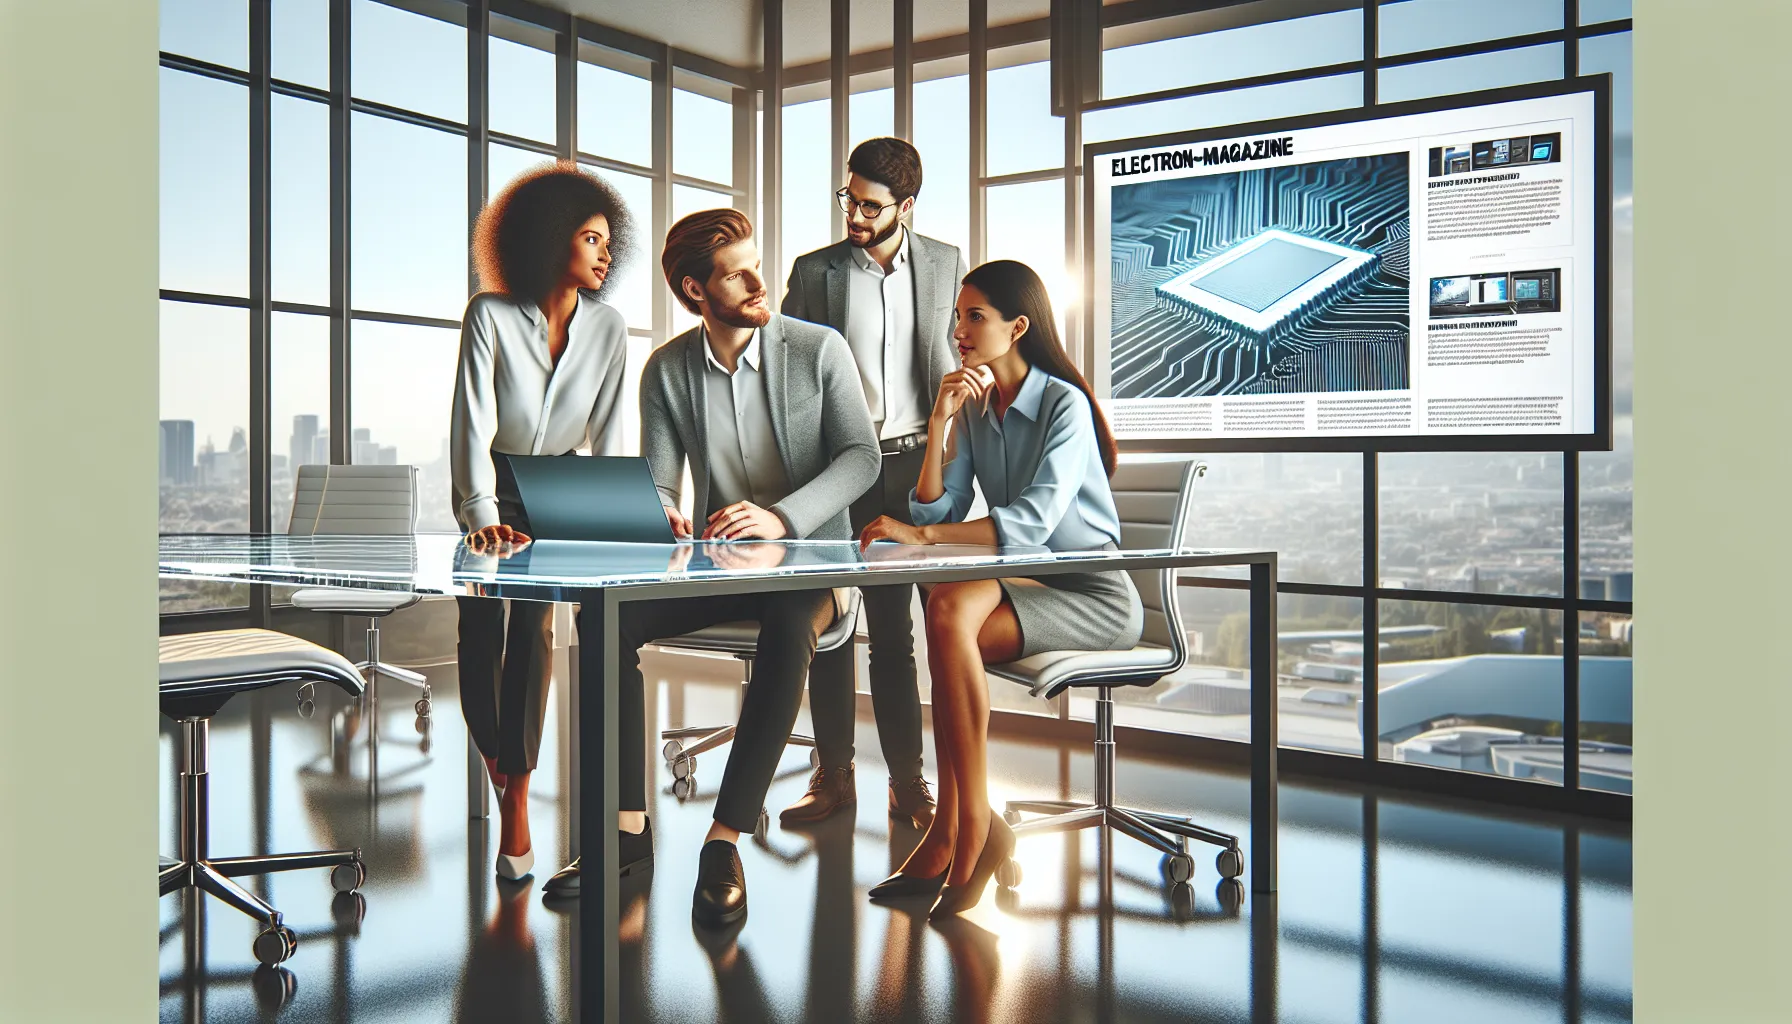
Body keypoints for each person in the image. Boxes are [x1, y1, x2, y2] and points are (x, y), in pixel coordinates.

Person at [563, 208, 880, 926]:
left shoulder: (818, 351)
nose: (759, 280)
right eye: (737, 273)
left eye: (754, 262)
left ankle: (723, 838)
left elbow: (860, 458)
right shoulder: (668, 371)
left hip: (811, 566)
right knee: (602, 614)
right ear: (694, 289)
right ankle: (627, 831)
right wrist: (660, 513)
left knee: (792, 612)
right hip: (720, 568)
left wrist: (782, 518)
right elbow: (657, 477)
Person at [858, 260, 1143, 918]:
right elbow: (937, 510)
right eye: (957, 315)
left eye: (975, 316)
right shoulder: (981, 407)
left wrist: (924, 539)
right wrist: (939, 425)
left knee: (946, 606)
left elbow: (1034, 522)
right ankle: (964, 828)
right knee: (947, 606)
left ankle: (961, 832)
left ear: (1018, 327)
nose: (959, 329)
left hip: (1090, 595)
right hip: (1026, 576)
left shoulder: (1063, 404)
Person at [450, 162, 634, 887]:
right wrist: (480, 517)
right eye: (590, 239)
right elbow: (471, 423)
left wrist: (619, 511)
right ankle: (504, 762)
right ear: (551, 240)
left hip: (562, 488)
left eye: (608, 243)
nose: (604, 254)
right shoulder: (489, 316)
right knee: (478, 632)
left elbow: (613, 436)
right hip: (493, 484)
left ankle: (517, 800)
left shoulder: (610, 329)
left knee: (531, 629)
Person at [779, 137, 965, 831]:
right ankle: (833, 777)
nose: (853, 213)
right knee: (831, 623)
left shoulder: (946, 263)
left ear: (905, 207)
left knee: (894, 632)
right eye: (847, 198)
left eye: (868, 204)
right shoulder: (816, 271)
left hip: (913, 466)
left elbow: (954, 351)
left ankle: (909, 785)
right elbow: (788, 372)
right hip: (836, 466)